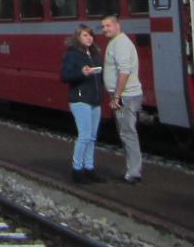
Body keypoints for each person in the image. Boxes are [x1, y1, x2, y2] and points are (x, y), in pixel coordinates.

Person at [100, 14, 143, 184]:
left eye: (108, 26)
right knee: (126, 133)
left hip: (126, 95)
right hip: (125, 94)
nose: (105, 29)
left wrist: (116, 95)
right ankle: (132, 169)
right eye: (103, 26)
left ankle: (133, 173)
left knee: (127, 133)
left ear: (117, 25)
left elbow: (124, 72)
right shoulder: (117, 42)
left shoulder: (121, 44)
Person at [60, 25, 104, 183]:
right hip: (80, 100)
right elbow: (64, 75)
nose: (89, 38)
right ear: (78, 38)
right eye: (85, 35)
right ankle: (77, 169)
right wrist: (81, 72)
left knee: (92, 137)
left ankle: (89, 168)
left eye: (90, 35)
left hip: (94, 100)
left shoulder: (94, 54)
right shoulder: (72, 55)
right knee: (84, 136)